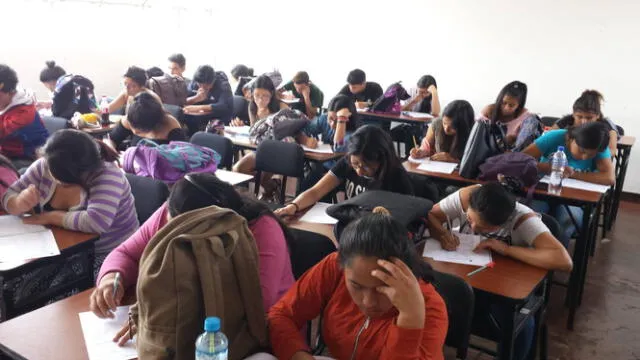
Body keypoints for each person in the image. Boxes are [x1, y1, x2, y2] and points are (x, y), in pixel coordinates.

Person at [89, 173, 295, 345]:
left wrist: (156, 318)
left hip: (261, 332)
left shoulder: (261, 231)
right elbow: (126, 253)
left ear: (215, 224)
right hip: (187, 324)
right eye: (170, 225)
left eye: (182, 232)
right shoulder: (172, 211)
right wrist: (111, 278)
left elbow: (252, 307)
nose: (170, 232)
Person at [253, 211, 448, 360]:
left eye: (382, 288)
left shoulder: (428, 308)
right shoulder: (335, 266)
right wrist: (300, 356)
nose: (368, 302)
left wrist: (410, 319)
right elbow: (281, 315)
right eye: (356, 285)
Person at [426, 183, 572, 360]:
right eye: (470, 220)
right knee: (432, 301)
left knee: (521, 327)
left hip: (505, 290)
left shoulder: (522, 219)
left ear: (504, 222)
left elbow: (563, 260)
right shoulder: (468, 196)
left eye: (483, 228)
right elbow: (432, 214)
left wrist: (507, 249)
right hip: (467, 278)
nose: (472, 229)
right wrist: (442, 234)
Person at [1, 129, 139, 271]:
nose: (51, 176)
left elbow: (97, 221)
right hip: (61, 248)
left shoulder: (107, 175)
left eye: (65, 182)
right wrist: (17, 202)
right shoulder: (47, 163)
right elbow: (9, 193)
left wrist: (52, 217)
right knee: (21, 284)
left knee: (54, 289)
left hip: (111, 253)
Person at [275, 125, 414, 218]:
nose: (359, 171)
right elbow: (317, 191)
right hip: (349, 225)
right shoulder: (347, 162)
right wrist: (293, 205)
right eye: (355, 164)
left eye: (366, 167)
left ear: (382, 160)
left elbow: (404, 219)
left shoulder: (397, 179)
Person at [523, 122, 615, 244]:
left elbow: (609, 178)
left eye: (591, 155)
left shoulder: (598, 144)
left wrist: (573, 174)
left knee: (569, 220)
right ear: (570, 139)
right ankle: (531, 252)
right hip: (544, 189)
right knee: (533, 215)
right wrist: (548, 168)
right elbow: (521, 159)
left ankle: (557, 255)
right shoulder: (555, 136)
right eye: (582, 151)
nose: (584, 157)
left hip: (575, 196)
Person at [233, 75, 291, 201]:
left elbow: (289, 132)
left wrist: (267, 117)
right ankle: (270, 186)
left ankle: (268, 188)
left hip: (278, 149)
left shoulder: (282, 107)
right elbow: (254, 132)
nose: (260, 100)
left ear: (272, 94)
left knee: (263, 178)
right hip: (260, 149)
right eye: (257, 95)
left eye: (265, 96)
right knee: (237, 169)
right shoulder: (252, 107)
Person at [296, 95, 358, 194]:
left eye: (337, 120)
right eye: (330, 119)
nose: (332, 124)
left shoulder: (355, 133)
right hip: (323, 167)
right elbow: (304, 129)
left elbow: (338, 147)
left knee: (315, 187)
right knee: (305, 185)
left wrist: (341, 120)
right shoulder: (324, 119)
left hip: (342, 173)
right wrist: (305, 139)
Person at [0, 64, 48, 163]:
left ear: (9, 91)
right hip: (8, 153)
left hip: (29, 158)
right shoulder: (6, 104)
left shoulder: (23, 113)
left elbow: (3, 131)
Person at [107, 92, 187, 149]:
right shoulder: (130, 118)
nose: (134, 131)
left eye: (140, 130)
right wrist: (113, 153)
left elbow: (182, 155)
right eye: (132, 126)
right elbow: (111, 140)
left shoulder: (170, 126)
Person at [553, 90, 619, 155]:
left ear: (598, 115)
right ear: (573, 113)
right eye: (579, 117)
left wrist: (590, 154)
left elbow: (612, 151)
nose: (584, 121)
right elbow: (548, 136)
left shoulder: (607, 125)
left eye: (589, 118)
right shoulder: (566, 120)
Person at [481, 81, 540, 151]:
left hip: (512, 156)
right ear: (499, 99)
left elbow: (523, 149)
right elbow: (477, 137)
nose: (506, 108)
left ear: (519, 105)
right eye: (504, 103)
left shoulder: (528, 119)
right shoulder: (489, 110)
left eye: (511, 105)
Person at [410, 100, 475, 163]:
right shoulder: (437, 123)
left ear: (463, 126)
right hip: (438, 169)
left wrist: (453, 159)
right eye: (444, 123)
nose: (446, 129)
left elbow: (475, 162)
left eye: (452, 126)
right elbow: (427, 148)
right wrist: (421, 152)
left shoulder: (474, 132)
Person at [183, 65, 233, 134]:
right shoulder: (196, 81)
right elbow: (183, 101)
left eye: (206, 85)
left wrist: (197, 108)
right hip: (198, 117)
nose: (202, 87)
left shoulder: (223, 85)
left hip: (218, 118)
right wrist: (196, 98)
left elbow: (224, 106)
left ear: (213, 80)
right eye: (200, 85)